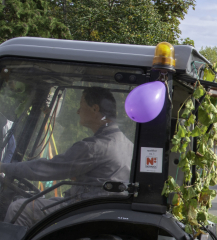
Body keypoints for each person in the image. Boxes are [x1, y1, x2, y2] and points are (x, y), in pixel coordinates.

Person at [1, 87, 133, 227]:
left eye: (81, 105)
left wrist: (4, 167)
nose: (77, 111)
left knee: (19, 209)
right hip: (100, 208)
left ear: (95, 109)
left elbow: (46, 169)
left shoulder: (95, 147)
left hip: (83, 210)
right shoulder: (127, 144)